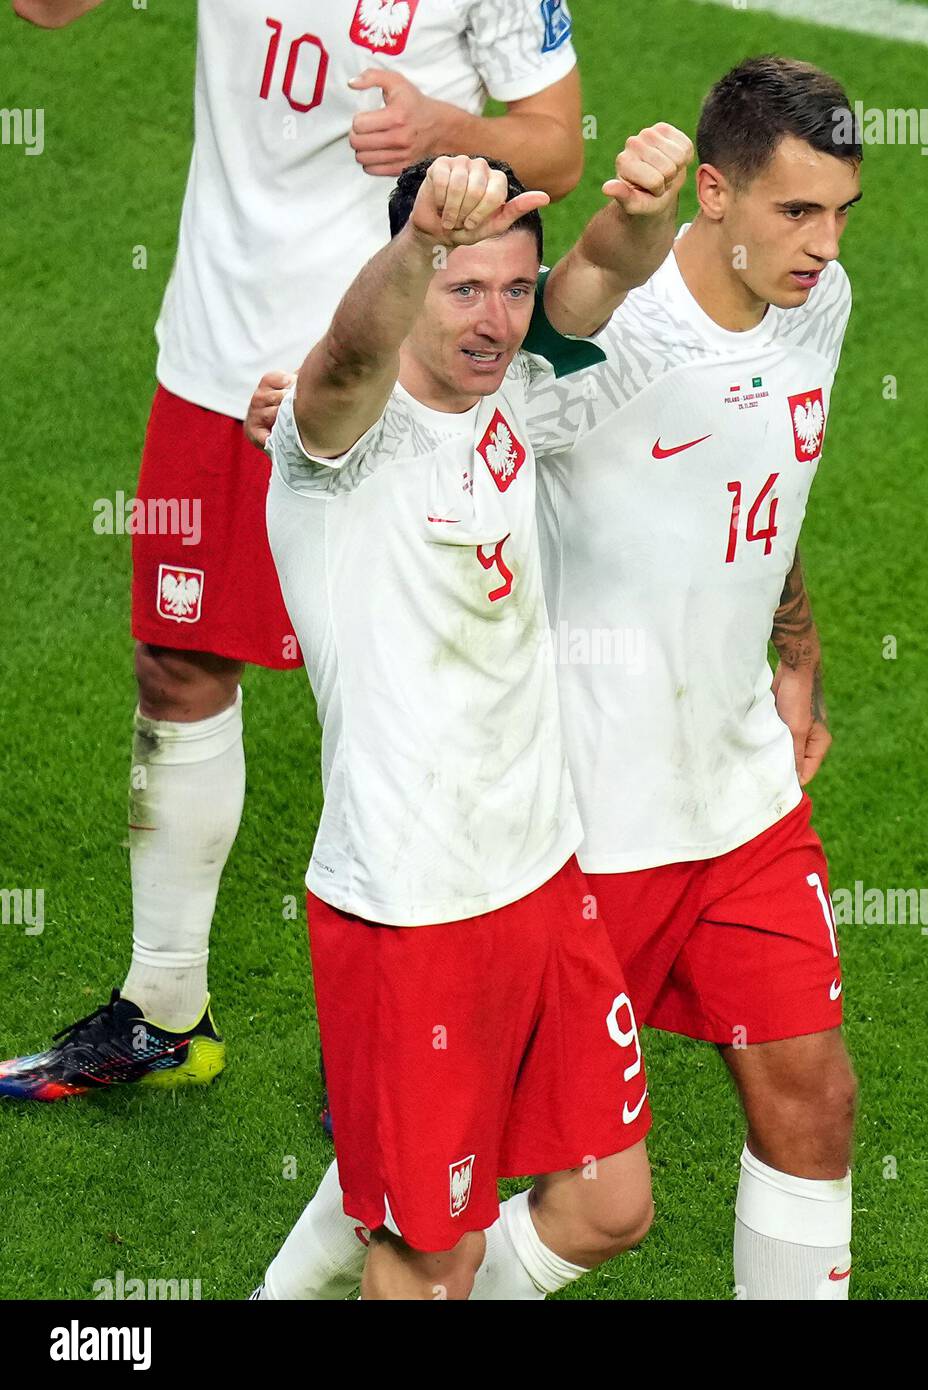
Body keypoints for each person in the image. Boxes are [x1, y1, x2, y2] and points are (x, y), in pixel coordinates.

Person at [252, 55, 865, 1301]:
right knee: (450, 1211)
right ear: (717, 193)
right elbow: (376, 358)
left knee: (714, 1146)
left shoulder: (783, 318)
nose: (825, 243)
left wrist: (794, 654)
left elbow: (732, 441)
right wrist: (420, 264)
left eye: (840, 212)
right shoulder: (429, 411)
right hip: (511, 857)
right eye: (797, 212)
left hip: (650, 828)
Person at [1, 0, 584, 1099]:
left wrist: (446, 129)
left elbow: (556, 139)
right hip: (217, 355)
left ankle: (444, 1023)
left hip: (383, 382)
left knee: (409, 692)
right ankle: (163, 1009)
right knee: (177, 663)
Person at [263, 123, 694, 1298]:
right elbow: (346, 360)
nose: (494, 320)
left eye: (512, 289)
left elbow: (607, 266)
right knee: (429, 1248)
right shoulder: (332, 446)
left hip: (541, 880)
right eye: (463, 287)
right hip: (411, 910)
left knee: (612, 1202)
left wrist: (652, 199)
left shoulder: (520, 386)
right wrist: (416, 246)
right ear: (414, 276)